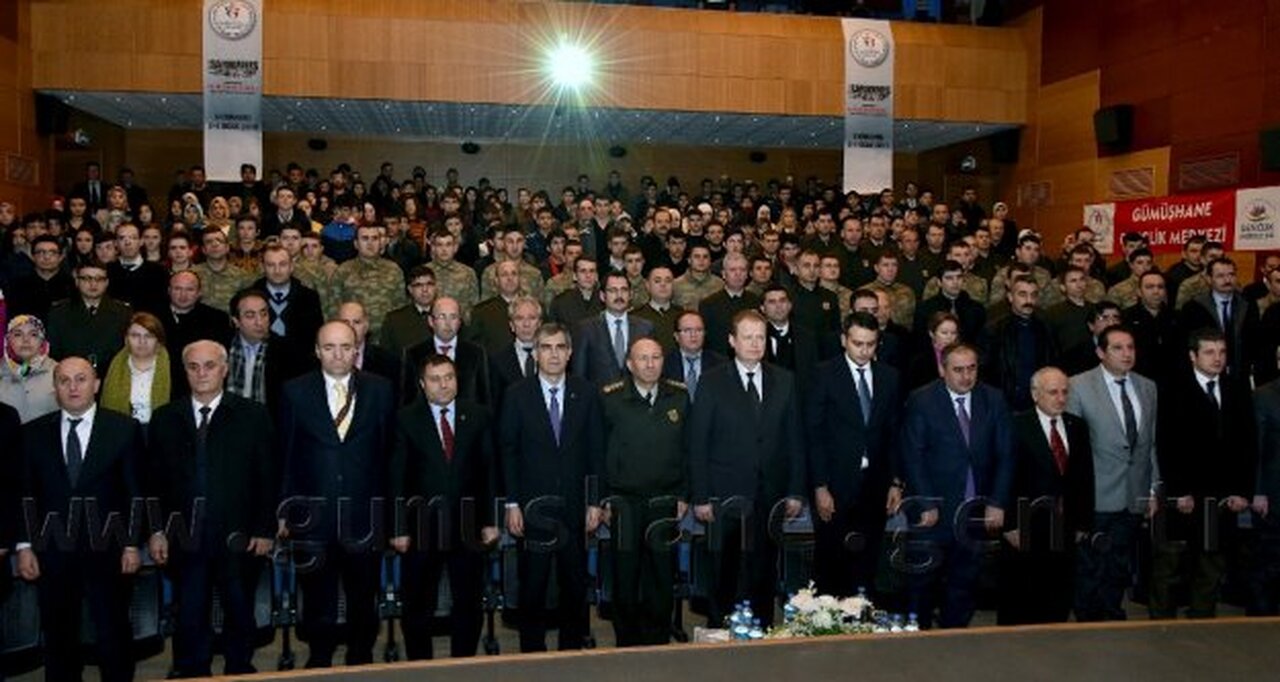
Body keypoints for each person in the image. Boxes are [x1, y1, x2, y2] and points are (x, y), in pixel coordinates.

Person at [147, 340, 275, 677]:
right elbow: (154, 481)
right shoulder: (165, 418)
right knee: (189, 610)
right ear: (184, 371)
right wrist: (156, 529)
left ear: (224, 368)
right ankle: (191, 669)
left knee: (238, 607)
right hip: (184, 536)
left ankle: (238, 666)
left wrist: (264, 529)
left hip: (239, 534)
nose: (202, 373)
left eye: (209, 365)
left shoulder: (253, 415)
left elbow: (267, 476)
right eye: (193, 366)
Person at [17, 357, 142, 682]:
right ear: (55, 387)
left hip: (109, 550)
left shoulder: (123, 429)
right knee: (59, 635)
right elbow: (25, 493)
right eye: (64, 380)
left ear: (96, 385)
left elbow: (135, 491)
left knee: (112, 632)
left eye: (81, 379)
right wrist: (25, 546)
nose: (73, 387)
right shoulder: (32, 434)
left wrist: (131, 544)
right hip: (52, 552)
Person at [278, 321, 396, 667]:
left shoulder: (381, 390)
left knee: (363, 597)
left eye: (346, 346)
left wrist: (391, 513)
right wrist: (284, 509)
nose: (338, 354)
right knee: (317, 599)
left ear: (356, 350)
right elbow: (285, 454)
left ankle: (360, 658)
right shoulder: (294, 392)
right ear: (317, 351)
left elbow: (390, 454)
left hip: (366, 515)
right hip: (312, 517)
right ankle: (320, 659)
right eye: (329, 347)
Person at [688, 310, 805, 628]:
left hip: (771, 494)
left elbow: (795, 440)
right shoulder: (711, 381)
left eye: (760, 337)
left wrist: (795, 490)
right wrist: (700, 496)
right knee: (723, 568)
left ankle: (763, 630)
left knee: (764, 568)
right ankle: (719, 630)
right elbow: (698, 442)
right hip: (724, 494)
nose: (755, 344)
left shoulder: (785, 380)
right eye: (747, 337)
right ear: (732, 341)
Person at [500, 322, 605, 652]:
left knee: (574, 584)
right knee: (533, 585)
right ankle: (532, 652)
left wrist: (594, 502)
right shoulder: (517, 394)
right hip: (532, 509)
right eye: (546, 347)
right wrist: (511, 503)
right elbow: (508, 451)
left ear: (570, 353)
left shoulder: (586, 393)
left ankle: (571, 649)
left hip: (575, 507)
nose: (554, 354)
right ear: (537, 353)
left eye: (560, 347)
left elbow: (595, 452)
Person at [389, 353, 498, 660]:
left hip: (468, 524)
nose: (443, 385)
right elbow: (396, 476)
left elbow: (489, 470)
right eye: (435, 379)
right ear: (422, 384)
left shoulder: (477, 414)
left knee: (468, 600)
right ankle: (420, 666)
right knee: (418, 602)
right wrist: (398, 527)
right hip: (420, 527)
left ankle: (463, 662)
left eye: (449, 377)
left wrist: (490, 520)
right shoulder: (406, 418)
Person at [900, 342, 1013, 629]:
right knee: (922, 583)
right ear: (942, 369)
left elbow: (1006, 455)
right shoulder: (921, 400)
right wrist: (925, 503)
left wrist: (997, 502)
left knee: (965, 582)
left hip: (975, 512)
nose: (966, 376)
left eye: (971, 368)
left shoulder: (994, 399)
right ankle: (918, 638)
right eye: (958, 370)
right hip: (934, 513)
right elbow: (913, 455)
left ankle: (955, 638)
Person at [1150, 328, 1256, 619]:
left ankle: (1202, 623)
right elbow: (1166, 443)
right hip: (1184, 497)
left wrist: (1242, 491)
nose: (1217, 358)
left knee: (1211, 565)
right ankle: (1160, 625)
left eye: (1222, 352)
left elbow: (1248, 444)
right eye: (1209, 352)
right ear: (1192, 356)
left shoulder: (1236, 388)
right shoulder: (1172, 389)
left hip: (1222, 497)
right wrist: (1176, 491)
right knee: (1171, 564)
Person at [806, 312, 902, 598]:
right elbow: (814, 433)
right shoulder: (823, 373)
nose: (864, 350)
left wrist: (897, 482)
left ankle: (862, 621)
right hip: (834, 484)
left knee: (867, 558)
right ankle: (827, 626)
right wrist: (820, 486)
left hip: (875, 484)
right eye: (858, 343)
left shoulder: (889, 377)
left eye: (870, 344)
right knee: (831, 559)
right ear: (843, 340)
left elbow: (895, 434)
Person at [1066, 325, 1159, 621]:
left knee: (1120, 563)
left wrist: (1154, 488)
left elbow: (1150, 442)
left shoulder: (1147, 387)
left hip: (1134, 493)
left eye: (1130, 347)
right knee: (1090, 564)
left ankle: (1112, 615)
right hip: (1096, 495)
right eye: (1118, 348)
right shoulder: (1078, 386)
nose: (1127, 353)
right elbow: (1073, 449)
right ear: (1100, 353)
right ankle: (1087, 619)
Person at [601, 338, 689, 646]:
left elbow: (688, 450)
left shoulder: (679, 396)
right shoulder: (610, 399)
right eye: (643, 358)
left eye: (656, 357)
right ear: (629, 363)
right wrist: (603, 499)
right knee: (625, 577)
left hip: (665, 501)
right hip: (623, 502)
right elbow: (599, 453)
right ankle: (626, 642)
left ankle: (657, 640)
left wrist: (683, 495)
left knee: (661, 576)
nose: (651, 364)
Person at [997, 367, 1094, 625]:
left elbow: (1085, 477)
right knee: (1023, 593)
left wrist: (1083, 521)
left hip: (1065, 526)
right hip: (1026, 526)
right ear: (1035, 394)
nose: (1060, 398)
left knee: (1059, 590)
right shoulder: (1016, 425)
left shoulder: (1077, 426)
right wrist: (1008, 524)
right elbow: (1003, 477)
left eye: (1064, 392)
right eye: (1053, 392)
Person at [1180, 257, 1261, 382]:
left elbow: (1254, 340)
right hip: (1206, 375)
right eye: (1220, 276)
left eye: (1231, 275)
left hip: (1240, 375)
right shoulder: (1194, 307)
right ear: (1209, 279)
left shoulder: (1247, 305)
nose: (1227, 280)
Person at [984, 275, 1056, 411]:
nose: (1029, 300)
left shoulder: (1046, 328)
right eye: (1022, 295)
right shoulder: (995, 330)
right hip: (1005, 403)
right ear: (1010, 297)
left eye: (1033, 295)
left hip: (1039, 402)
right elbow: (987, 371)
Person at [572, 271, 655, 387]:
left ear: (630, 294)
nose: (619, 295)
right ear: (602, 296)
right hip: (598, 400)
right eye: (613, 290)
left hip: (636, 400)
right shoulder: (586, 329)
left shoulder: (645, 328)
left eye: (624, 290)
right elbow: (579, 373)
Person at [47, 260, 132, 373]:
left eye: (99, 279)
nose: (93, 284)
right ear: (77, 281)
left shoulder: (123, 312)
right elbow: (54, 352)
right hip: (71, 377)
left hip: (110, 376)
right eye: (87, 278)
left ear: (107, 283)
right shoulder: (59, 312)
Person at [404, 296, 491, 406]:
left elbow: (484, 398)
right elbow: (407, 400)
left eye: (453, 317)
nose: (448, 323)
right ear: (431, 321)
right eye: (442, 317)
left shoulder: (476, 353)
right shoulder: (414, 354)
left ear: (460, 322)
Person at [326, 224, 407, 338]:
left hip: (387, 338)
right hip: (353, 337)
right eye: (365, 238)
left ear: (381, 242)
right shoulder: (343, 271)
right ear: (356, 244)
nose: (370, 243)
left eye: (374, 238)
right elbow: (334, 309)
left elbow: (401, 307)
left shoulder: (394, 270)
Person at [251, 244, 325, 355]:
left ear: (291, 266)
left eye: (283, 264)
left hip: (300, 364)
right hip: (260, 361)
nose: (277, 270)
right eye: (271, 265)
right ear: (263, 267)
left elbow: (315, 337)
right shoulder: (249, 298)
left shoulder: (309, 298)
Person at [100, 311, 171, 425]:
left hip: (162, 432)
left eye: (149, 336)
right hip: (123, 432)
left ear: (158, 340)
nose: (142, 342)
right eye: (135, 335)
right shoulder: (112, 366)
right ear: (126, 339)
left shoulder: (173, 368)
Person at [1122, 271, 1180, 386]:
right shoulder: (1126, 317)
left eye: (1160, 287)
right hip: (1138, 380)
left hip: (1173, 381)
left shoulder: (1177, 317)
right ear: (1139, 292)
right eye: (1149, 287)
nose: (1156, 291)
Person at [913, 259, 986, 348]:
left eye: (959, 277)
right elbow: (920, 342)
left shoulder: (976, 309)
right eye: (949, 278)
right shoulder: (925, 309)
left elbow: (982, 342)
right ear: (939, 282)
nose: (955, 282)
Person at [487, 295, 542, 409]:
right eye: (519, 318)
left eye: (532, 318)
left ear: (539, 323)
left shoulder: (552, 356)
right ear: (511, 325)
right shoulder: (497, 361)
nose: (526, 324)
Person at [0, 315, 58, 423]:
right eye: (18, 334)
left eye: (33, 335)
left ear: (42, 341)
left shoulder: (59, 372)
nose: (26, 340)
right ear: (7, 341)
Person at [662, 310, 727, 403]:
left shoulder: (721, 364)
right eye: (687, 330)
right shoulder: (664, 363)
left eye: (699, 330)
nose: (693, 335)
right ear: (676, 336)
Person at [106, 223, 169, 315]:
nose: (127, 242)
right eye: (122, 238)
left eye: (133, 238)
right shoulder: (107, 271)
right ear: (115, 243)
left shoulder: (158, 271)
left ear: (141, 241)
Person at [379, 264, 437, 360]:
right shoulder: (394, 320)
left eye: (429, 284)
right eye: (418, 285)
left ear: (435, 287)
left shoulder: (448, 316)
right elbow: (386, 357)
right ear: (410, 289)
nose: (425, 290)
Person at [191, 229, 249, 314]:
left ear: (227, 247)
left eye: (219, 240)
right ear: (203, 249)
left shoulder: (242, 276)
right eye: (209, 241)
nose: (214, 244)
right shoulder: (192, 275)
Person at [630, 265, 679, 356]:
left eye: (668, 281)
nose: (663, 284)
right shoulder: (635, 317)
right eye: (657, 281)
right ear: (647, 285)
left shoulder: (682, 315)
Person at [907, 311, 959, 391]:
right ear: (932, 333)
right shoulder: (920, 361)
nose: (949, 337)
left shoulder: (964, 357)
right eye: (944, 333)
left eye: (953, 333)